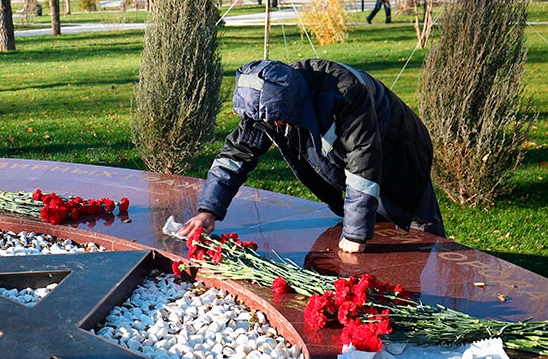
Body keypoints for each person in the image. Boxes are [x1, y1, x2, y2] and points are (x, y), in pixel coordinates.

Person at [177, 59, 445, 253]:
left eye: (278, 121)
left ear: (292, 105)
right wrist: (208, 211)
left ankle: (442, 296)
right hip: (359, 153)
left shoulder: (345, 93)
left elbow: (362, 163)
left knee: (418, 227)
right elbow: (236, 156)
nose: (273, 126)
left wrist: (354, 235)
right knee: (372, 220)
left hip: (400, 146)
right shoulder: (267, 102)